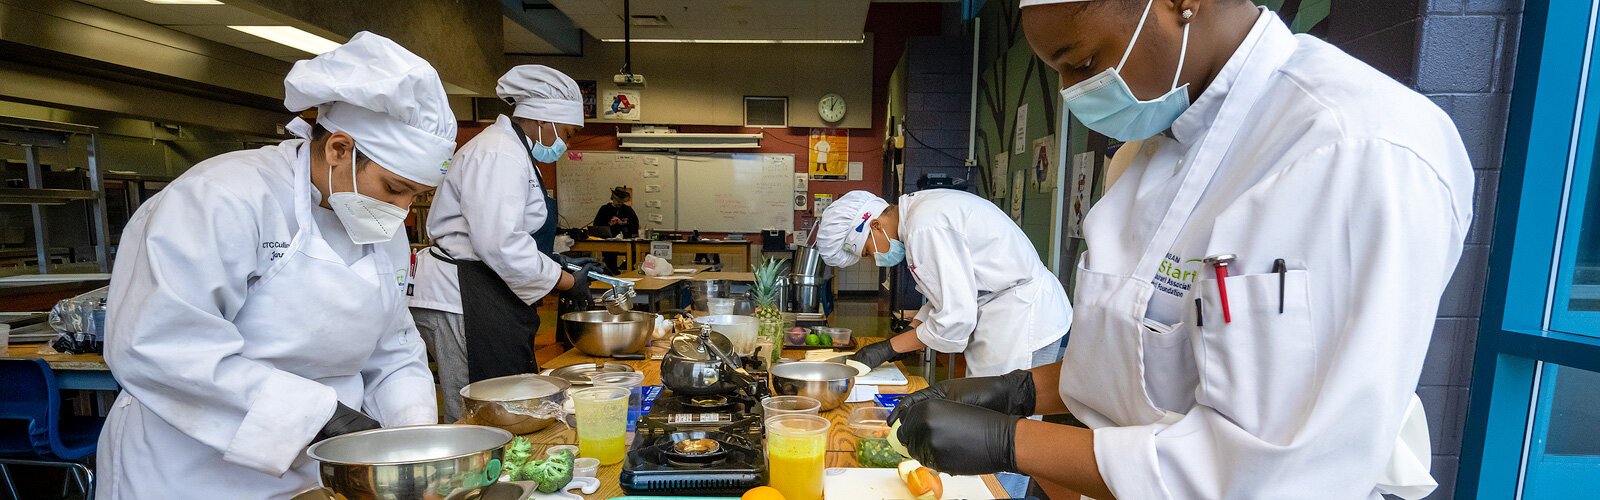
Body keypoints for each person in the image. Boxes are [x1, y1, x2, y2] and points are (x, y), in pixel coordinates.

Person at [888, 1, 1474, 499]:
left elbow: (1269, 473)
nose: (1072, 93)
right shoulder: (1143, 156)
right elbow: (1147, 360)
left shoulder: (1354, 148)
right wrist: (1019, 390)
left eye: (1083, 63)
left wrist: (1009, 441)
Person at [97, 32, 456, 497]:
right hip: (194, 468)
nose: (403, 210)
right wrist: (317, 415)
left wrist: (412, 436)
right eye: (393, 188)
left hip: (323, 463)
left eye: (416, 195)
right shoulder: (221, 199)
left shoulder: (372, 224)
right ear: (339, 149)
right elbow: (159, 346)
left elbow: (394, 348)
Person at [410, 65, 600, 422]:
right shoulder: (498, 153)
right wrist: (566, 280)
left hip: (487, 288)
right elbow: (500, 244)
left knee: (504, 397)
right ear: (546, 121)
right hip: (465, 294)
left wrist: (557, 262)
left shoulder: (514, 151)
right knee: (480, 406)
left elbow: (510, 234)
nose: (566, 143)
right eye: (569, 134)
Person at [815, 189, 1073, 377]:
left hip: (1021, 317)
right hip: (1005, 310)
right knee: (990, 413)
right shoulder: (919, 215)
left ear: (873, 224)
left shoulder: (924, 228)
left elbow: (954, 319)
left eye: (868, 252)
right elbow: (943, 299)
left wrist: (888, 348)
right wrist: (909, 335)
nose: (875, 259)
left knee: (1007, 420)